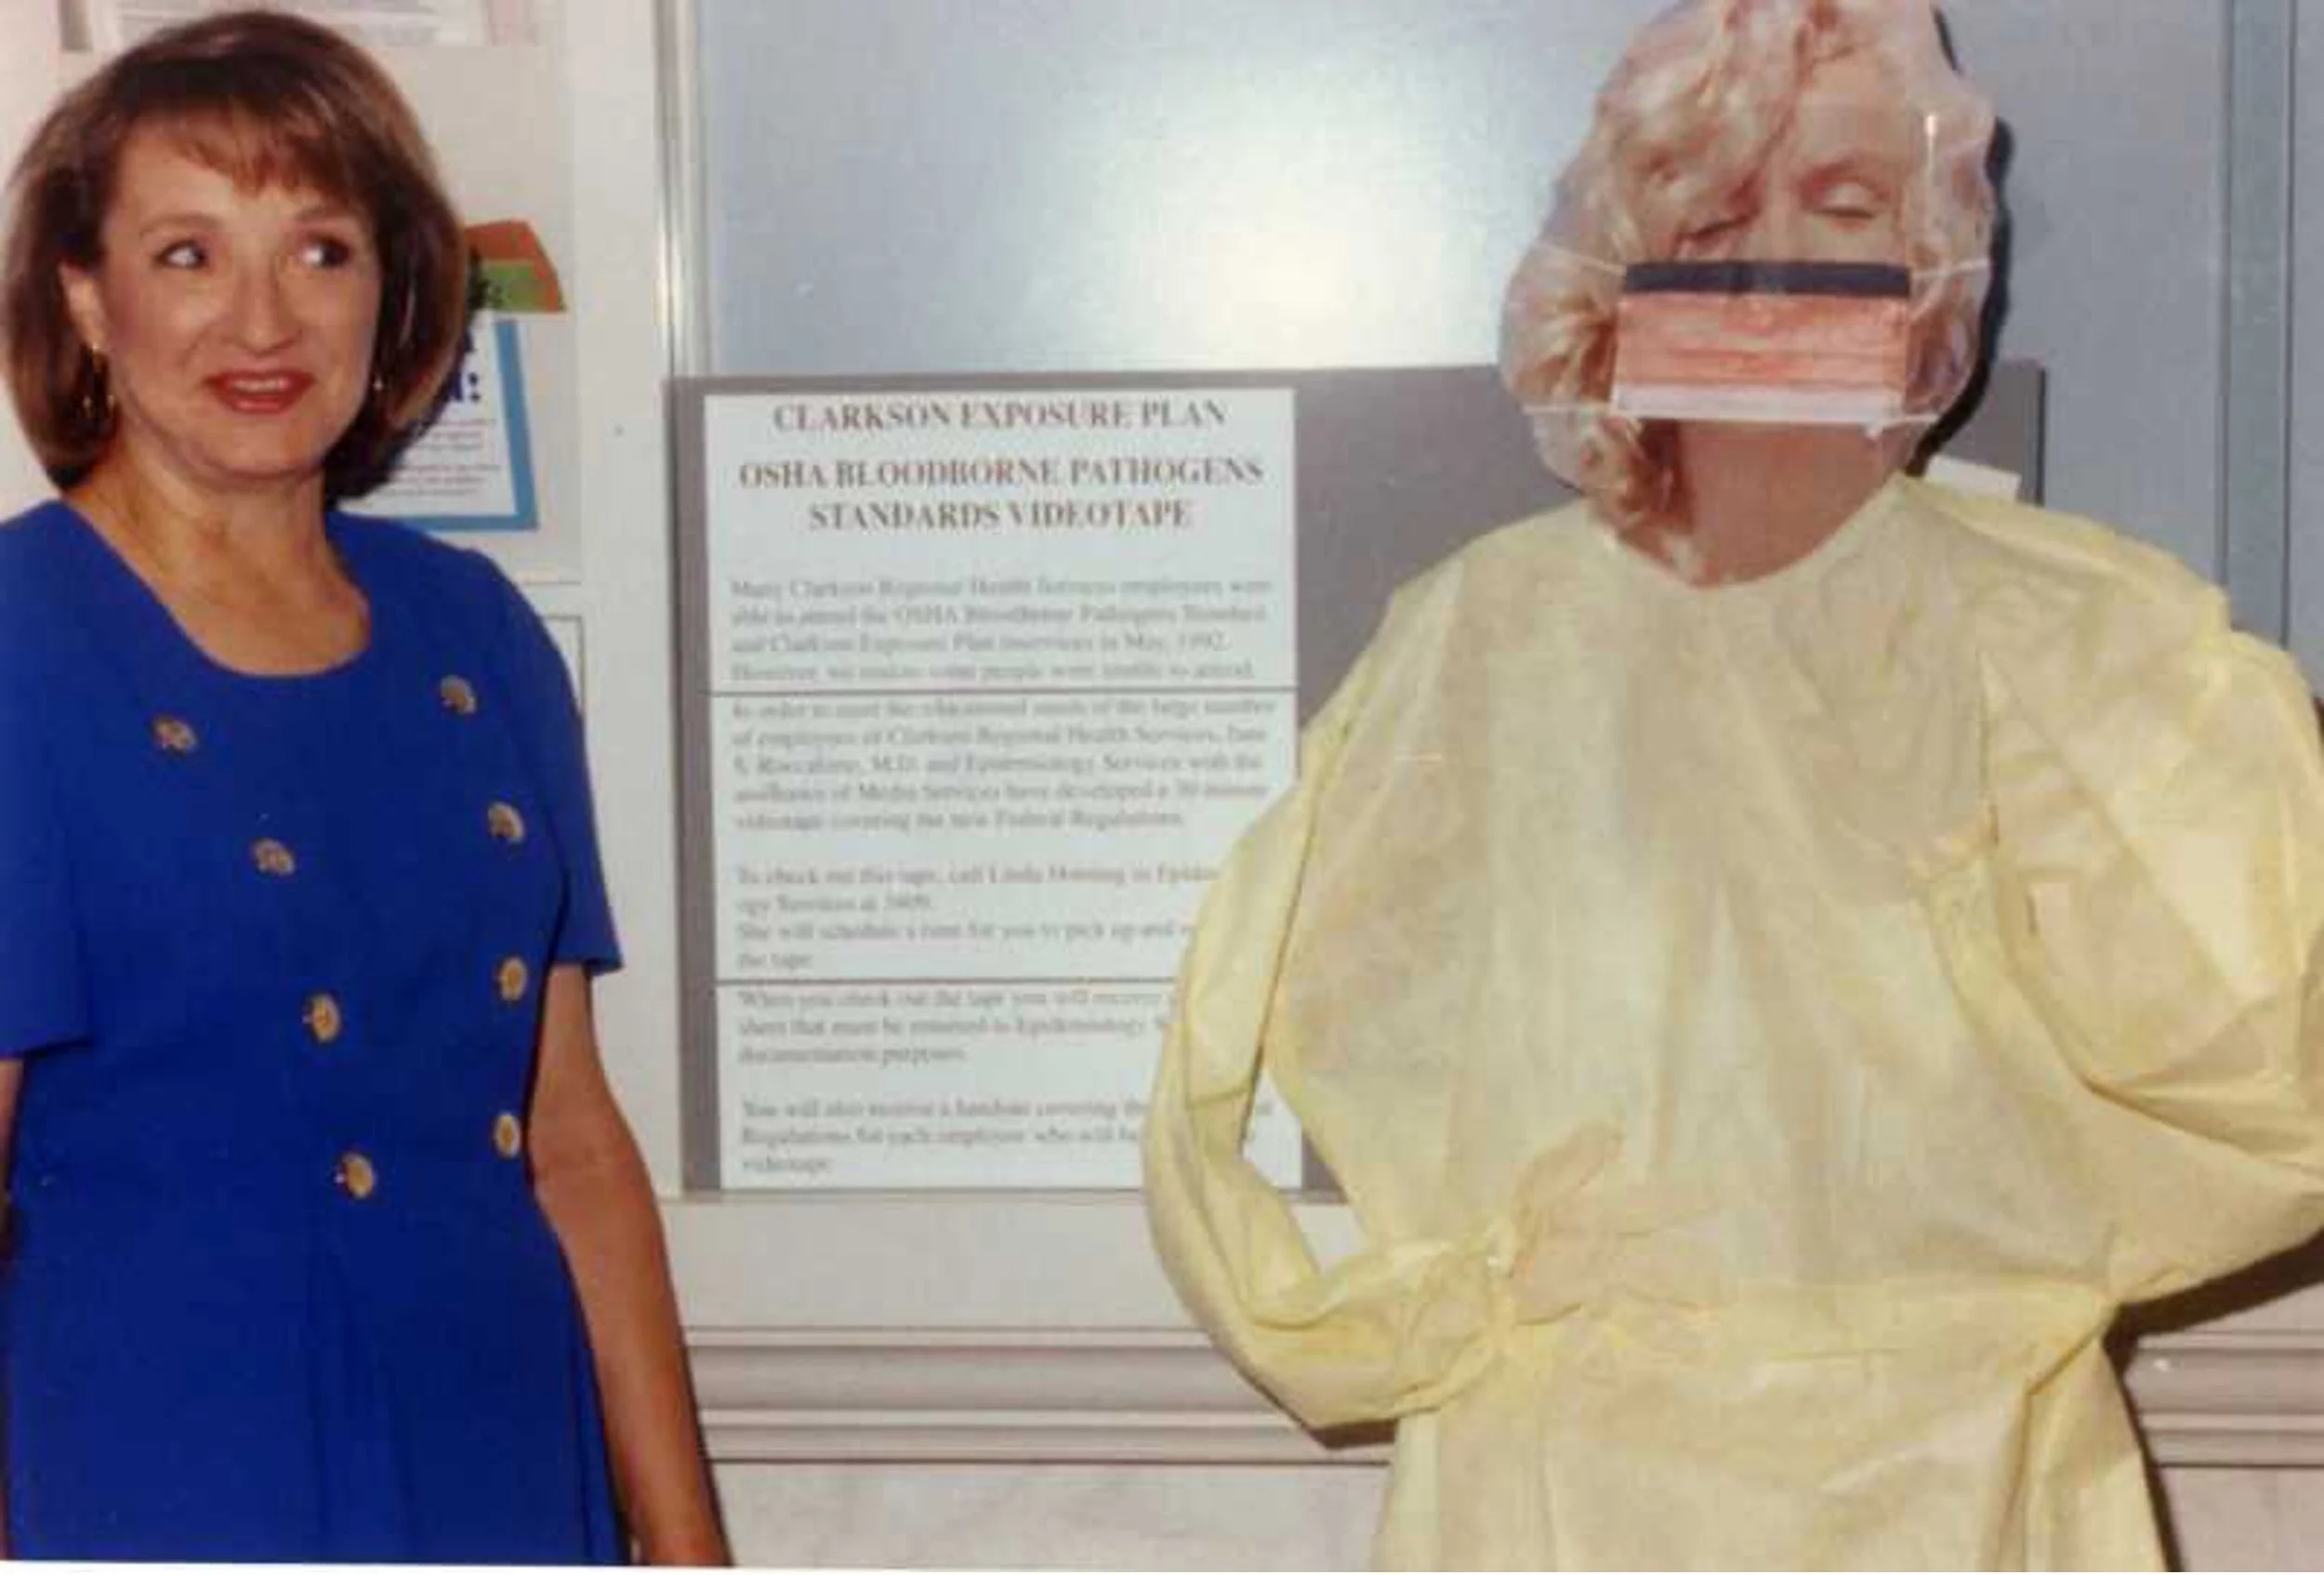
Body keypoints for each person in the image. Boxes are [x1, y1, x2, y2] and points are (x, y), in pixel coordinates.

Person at [1142, 0, 2324, 1567]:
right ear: (1624, 261)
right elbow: (1230, 1054)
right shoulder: (1478, 642)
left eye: (1840, 206)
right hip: (1564, 1483)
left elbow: (2270, 1079)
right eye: (1711, 210)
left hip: (1966, 1484)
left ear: (1927, 261)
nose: (1773, 262)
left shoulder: (2071, 642)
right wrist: (1394, 1306)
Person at [0, 11, 726, 1564]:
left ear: (391, 292)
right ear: (85, 293)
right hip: (175, 1456)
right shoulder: (20, 643)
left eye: (319, 250)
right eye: (188, 253)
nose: (261, 320)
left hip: (502, 1442)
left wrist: (685, 1544)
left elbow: (574, 1139)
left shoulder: (478, 629)